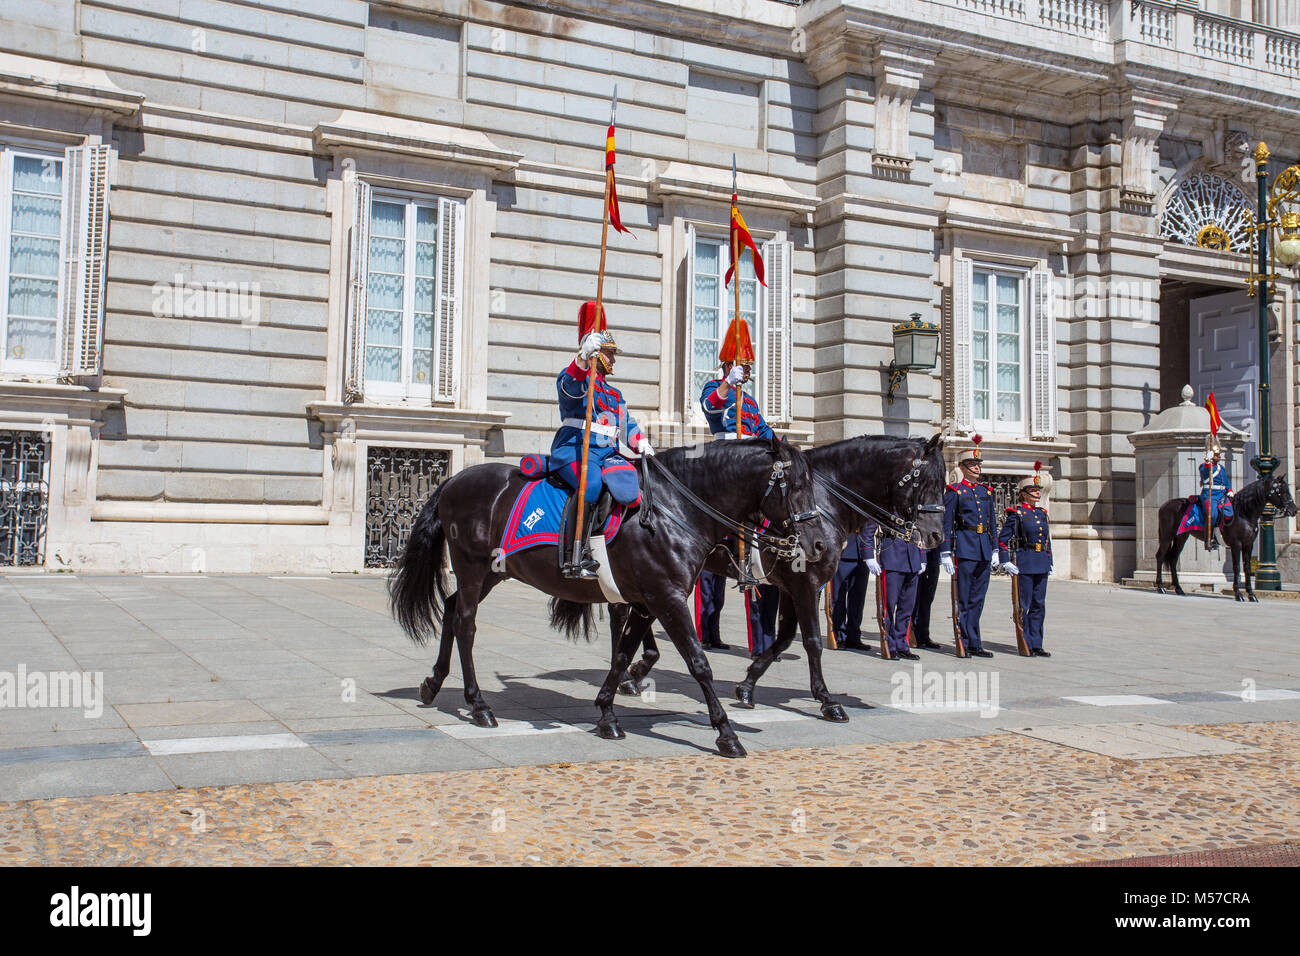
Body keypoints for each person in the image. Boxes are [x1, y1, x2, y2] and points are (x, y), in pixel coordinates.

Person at [551, 301, 654, 579]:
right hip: (574, 448)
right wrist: (581, 361)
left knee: (633, 481)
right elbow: (567, 390)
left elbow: (626, 424)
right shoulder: (578, 379)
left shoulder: (614, 394)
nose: (614, 359)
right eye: (610, 353)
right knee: (591, 483)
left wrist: (640, 441)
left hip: (605, 453)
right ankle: (575, 555)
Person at [693, 334, 779, 656]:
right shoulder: (715, 390)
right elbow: (709, 407)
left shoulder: (752, 402)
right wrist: (727, 384)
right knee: (709, 573)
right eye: (741, 365)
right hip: (723, 472)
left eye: (748, 367)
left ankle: (762, 642)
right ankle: (707, 632)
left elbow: (767, 434)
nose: (746, 371)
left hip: (751, 475)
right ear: (728, 365)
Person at [940, 434, 997, 658]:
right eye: (971, 465)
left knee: (978, 598)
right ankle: (962, 640)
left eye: (977, 465)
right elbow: (947, 522)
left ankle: (975, 641)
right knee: (963, 598)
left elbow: (992, 521)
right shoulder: (955, 492)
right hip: (965, 547)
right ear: (962, 468)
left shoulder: (986, 492)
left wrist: (994, 549)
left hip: (983, 547)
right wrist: (945, 550)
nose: (976, 468)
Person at [998, 462, 1053, 658]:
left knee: (1039, 604)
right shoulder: (1017, 514)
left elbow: (1047, 540)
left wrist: (1049, 560)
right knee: (1025, 604)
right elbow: (1003, 539)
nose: (1038, 493)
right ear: (1024, 494)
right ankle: (1026, 642)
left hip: (1041, 562)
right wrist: (1005, 560)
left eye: (1038, 490)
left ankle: (1037, 643)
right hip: (1026, 562)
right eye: (1033, 490)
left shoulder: (1041, 514)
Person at [864, 518, 925, 660]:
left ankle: (902, 644)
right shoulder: (886, 500)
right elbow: (869, 528)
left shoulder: (914, 504)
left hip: (913, 559)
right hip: (892, 557)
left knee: (907, 607)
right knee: (888, 607)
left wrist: (923, 557)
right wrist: (868, 555)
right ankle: (889, 645)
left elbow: (922, 529)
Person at [827, 528, 870, 650]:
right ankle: (839, 635)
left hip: (863, 552)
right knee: (838, 598)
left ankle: (854, 636)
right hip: (843, 552)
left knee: (858, 599)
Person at [1199, 436, 1234, 552]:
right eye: (1216, 455)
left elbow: (1226, 480)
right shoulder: (1205, 467)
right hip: (1210, 494)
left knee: (1230, 512)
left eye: (1219, 455)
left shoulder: (1221, 468)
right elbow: (1204, 471)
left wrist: (1229, 490)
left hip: (1221, 494)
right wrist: (1207, 461)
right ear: (1211, 455)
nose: (1219, 457)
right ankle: (1208, 539)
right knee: (1212, 515)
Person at [910, 543, 943, 650]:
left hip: (933, 552)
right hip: (918, 551)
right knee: (915, 596)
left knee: (928, 597)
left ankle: (924, 634)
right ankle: (912, 633)